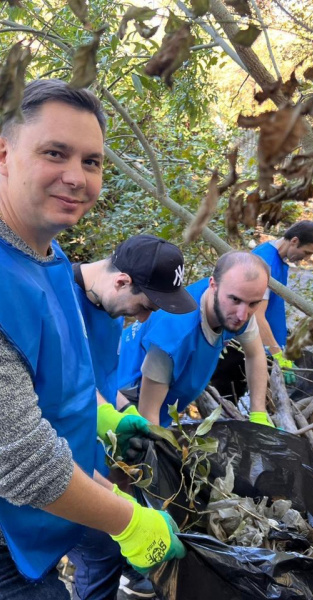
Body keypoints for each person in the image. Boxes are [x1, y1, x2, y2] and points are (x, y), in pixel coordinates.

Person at [0, 79, 184, 600]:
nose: (76, 177)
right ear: (3, 154)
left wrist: (108, 418)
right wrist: (131, 523)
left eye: (92, 161)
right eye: (55, 153)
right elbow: (19, 464)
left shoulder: (43, 256)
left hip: (32, 534)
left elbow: (52, 379)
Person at [67, 234, 197, 600]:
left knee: (108, 545)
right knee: (99, 549)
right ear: (122, 281)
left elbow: (88, 380)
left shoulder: (109, 306)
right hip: (53, 461)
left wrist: (116, 414)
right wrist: (123, 513)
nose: (143, 317)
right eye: (145, 305)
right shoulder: (59, 300)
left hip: (89, 444)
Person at [116, 251, 274, 428]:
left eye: (253, 304)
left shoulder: (237, 303)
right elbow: (148, 415)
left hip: (166, 395)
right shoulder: (173, 336)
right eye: (235, 300)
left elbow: (255, 355)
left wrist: (259, 414)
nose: (242, 315)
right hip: (124, 398)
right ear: (213, 285)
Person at [252, 221, 313, 383]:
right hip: (260, 347)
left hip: (271, 344)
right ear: (294, 241)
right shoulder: (265, 263)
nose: (306, 258)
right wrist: (277, 355)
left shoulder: (279, 260)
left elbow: (272, 306)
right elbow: (256, 316)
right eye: (306, 252)